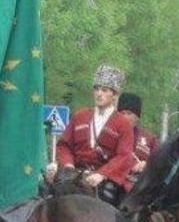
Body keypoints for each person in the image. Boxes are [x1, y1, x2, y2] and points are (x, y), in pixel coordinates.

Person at [56, 65, 136, 206]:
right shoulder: (80, 116)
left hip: (104, 180)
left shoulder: (122, 124)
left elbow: (124, 156)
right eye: (96, 89)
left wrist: (102, 174)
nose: (99, 94)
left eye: (104, 90)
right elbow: (64, 145)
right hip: (75, 174)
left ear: (115, 94)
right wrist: (68, 165)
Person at [117, 92, 158, 175]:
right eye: (122, 113)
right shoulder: (111, 135)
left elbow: (159, 161)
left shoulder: (149, 138)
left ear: (137, 117)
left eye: (129, 113)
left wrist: (147, 165)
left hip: (138, 183)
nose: (125, 117)